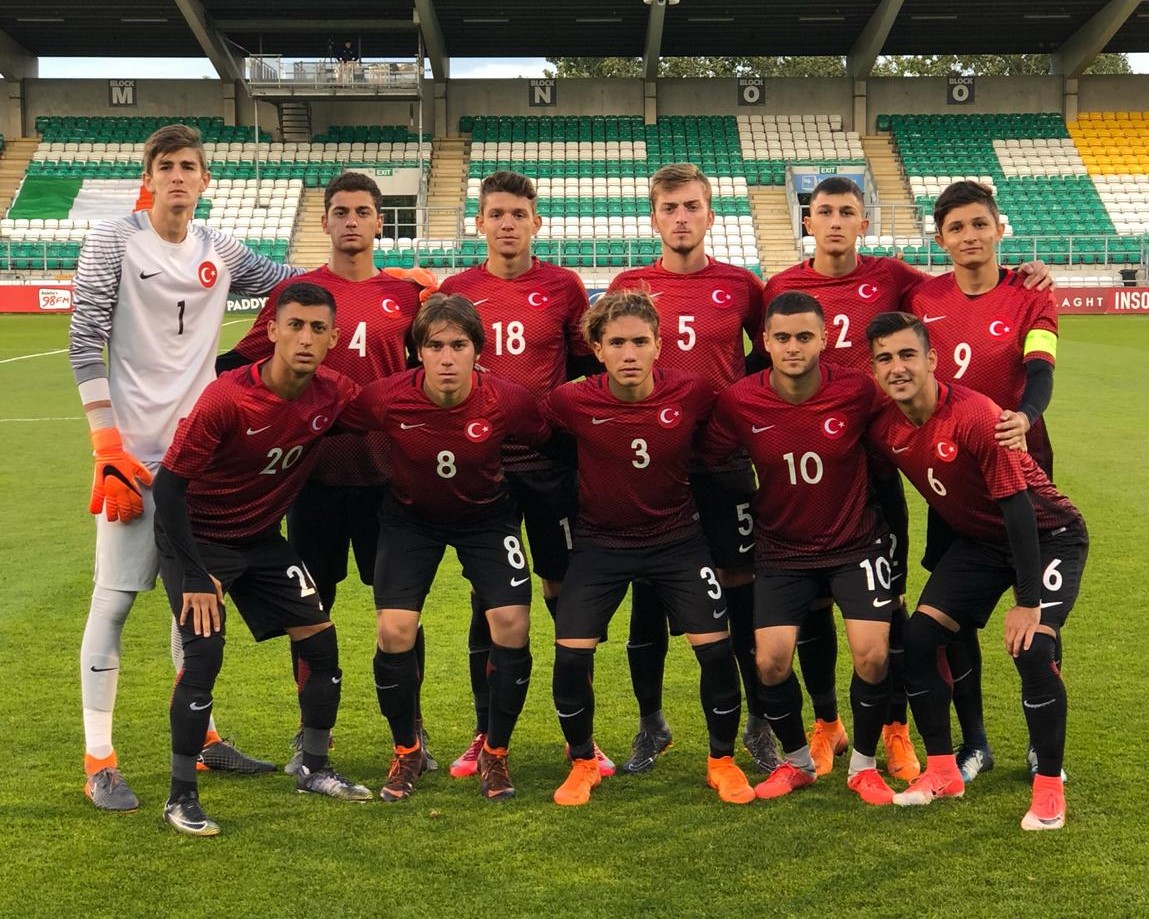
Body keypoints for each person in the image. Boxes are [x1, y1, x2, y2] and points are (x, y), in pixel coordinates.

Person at [761, 175, 1053, 781]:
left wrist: (1025, 272)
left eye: (847, 211)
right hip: (843, 460)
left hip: (936, 455)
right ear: (807, 222)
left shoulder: (898, 278)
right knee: (823, 597)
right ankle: (836, 725)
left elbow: (972, 282)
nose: (835, 222)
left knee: (909, 603)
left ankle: (904, 727)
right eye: (824, 212)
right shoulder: (783, 286)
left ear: (863, 222)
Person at [68, 123, 299, 811]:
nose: (177, 176)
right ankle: (99, 759)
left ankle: (202, 735)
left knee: (195, 599)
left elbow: (293, 287)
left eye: (187, 166)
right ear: (149, 178)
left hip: (202, 461)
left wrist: (374, 279)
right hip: (133, 462)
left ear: (204, 180)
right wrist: (106, 446)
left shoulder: (219, 249)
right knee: (114, 601)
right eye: (165, 165)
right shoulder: (114, 240)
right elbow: (84, 342)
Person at [218, 171, 436, 772]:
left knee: (400, 611)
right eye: (340, 211)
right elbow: (237, 364)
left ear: (379, 222)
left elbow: (434, 369)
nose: (351, 221)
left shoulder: (407, 296)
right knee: (308, 611)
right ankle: (313, 733)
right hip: (311, 479)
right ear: (324, 223)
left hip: (390, 478)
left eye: (362, 212)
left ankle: (412, 730)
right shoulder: (298, 293)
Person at [153, 282, 373, 837]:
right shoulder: (227, 397)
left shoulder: (333, 393)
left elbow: (388, 408)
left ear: (333, 339)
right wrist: (195, 573)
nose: (305, 338)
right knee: (204, 655)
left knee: (320, 641)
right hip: (199, 540)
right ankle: (181, 796)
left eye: (318, 329)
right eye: (294, 325)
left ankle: (313, 766)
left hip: (260, 539)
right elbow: (169, 489)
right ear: (271, 331)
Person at [866, 311, 1087, 831]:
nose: (897, 368)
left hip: (1049, 534)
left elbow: (1018, 511)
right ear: (873, 370)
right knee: (919, 639)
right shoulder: (885, 430)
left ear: (931, 360)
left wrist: (1028, 604)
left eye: (907, 355)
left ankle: (1049, 790)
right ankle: (943, 771)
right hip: (981, 543)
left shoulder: (974, 414)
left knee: (1033, 647)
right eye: (885, 359)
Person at [543, 289, 755, 807]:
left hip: (677, 541)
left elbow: (729, 428)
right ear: (597, 349)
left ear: (660, 344)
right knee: (570, 658)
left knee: (717, 651)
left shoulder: (692, 391)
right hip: (601, 545)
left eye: (640, 341)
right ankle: (583, 762)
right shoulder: (570, 401)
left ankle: (722, 761)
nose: (629, 353)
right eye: (617, 343)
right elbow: (534, 432)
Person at [337, 294, 549, 802]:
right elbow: (331, 422)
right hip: (410, 521)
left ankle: (495, 752)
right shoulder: (387, 397)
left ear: (478, 350)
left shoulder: (507, 399)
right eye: (435, 346)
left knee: (512, 623)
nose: (447, 357)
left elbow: (551, 439)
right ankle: (407, 750)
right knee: (394, 630)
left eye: (459, 345)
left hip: (487, 518)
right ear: (418, 351)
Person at [701, 292, 908, 806]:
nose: (793, 347)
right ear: (765, 342)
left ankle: (863, 766)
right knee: (770, 662)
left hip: (854, 544)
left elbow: (897, 447)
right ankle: (796, 763)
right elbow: (708, 461)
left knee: (873, 655)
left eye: (804, 337)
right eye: (783, 338)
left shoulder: (858, 391)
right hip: (781, 551)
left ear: (823, 339)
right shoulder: (739, 401)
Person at [606, 163, 773, 776]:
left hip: (725, 465)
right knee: (648, 594)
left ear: (710, 214)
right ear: (654, 217)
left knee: (741, 589)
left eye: (691, 206)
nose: (681, 218)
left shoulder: (741, 285)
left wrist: (733, 403)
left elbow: (768, 354)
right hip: (652, 468)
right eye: (670, 207)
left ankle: (759, 723)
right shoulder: (629, 286)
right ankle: (652, 725)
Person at [437, 170, 605, 778]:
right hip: (484, 468)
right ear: (478, 222)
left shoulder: (564, 286)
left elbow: (587, 367)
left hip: (551, 469)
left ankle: (580, 736)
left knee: (565, 597)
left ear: (536, 221)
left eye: (518, 214)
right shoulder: (457, 290)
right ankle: (484, 732)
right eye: (496, 214)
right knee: (489, 601)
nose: (507, 224)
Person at [908, 180, 1060, 783]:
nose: (969, 236)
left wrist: (1026, 415)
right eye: (956, 228)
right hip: (951, 480)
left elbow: (1040, 369)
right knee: (953, 621)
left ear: (999, 228)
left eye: (979, 224)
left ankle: (1043, 743)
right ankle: (974, 742)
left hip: (1024, 469)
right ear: (940, 239)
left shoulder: (1030, 294)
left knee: (1039, 617)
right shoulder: (921, 297)